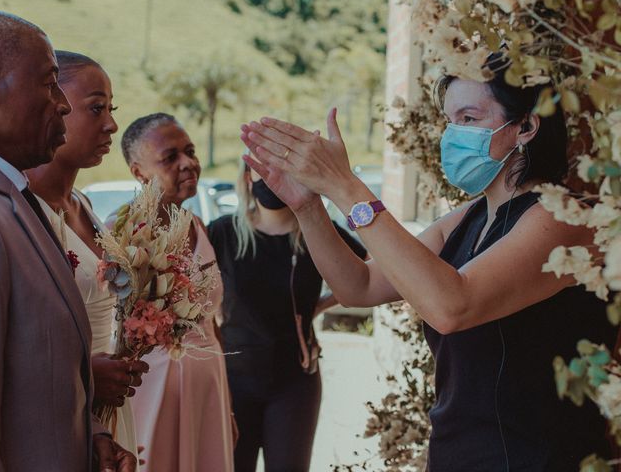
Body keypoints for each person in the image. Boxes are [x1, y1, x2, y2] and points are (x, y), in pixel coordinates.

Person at [240, 55, 618, 471]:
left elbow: (452, 307)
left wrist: (345, 186)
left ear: (526, 127)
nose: (453, 133)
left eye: (469, 117)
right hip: (458, 454)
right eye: (450, 120)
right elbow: (359, 285)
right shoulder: (469, 218)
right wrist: (308, 206)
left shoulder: (562, 217)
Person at [0, 11, 135, 471]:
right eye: (49, 85)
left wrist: (92, 434)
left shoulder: (13, 198)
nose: (62, 105)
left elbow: (36, 366)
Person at [26, 50, 149, 462]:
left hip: (108, 408)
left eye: (111, 109)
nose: (112, 124)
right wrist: (86, 377)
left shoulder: (82, 205)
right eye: (96, 108)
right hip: (56, 412)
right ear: (52, 106)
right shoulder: (19, 212)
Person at [207, 158, 367, 472]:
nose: (271, 177)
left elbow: (369, 268)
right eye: (261, 168)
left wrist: (323, 303)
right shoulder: (223, 233)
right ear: (247, 175)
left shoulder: (317, 234)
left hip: (295, 382)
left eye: (282, 168)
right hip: (233, 380)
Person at [115, 112, 235, 472]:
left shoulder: (199, 227)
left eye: (190, 151)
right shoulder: (122, 235)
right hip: (151, 393)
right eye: (170, 158)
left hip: (207, 388)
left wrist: (224, 403)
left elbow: (211, 324)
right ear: (139, 172)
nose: (188, 164)